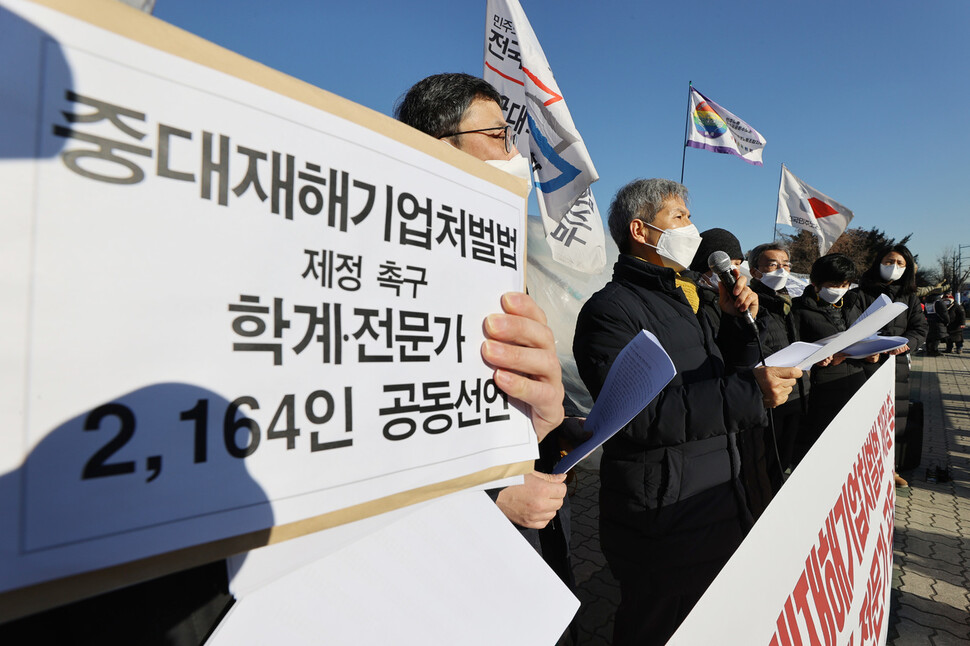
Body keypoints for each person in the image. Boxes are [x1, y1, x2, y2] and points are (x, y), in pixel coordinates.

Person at [573, 178, 800, 646]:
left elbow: (718, 378)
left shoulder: (686, 301)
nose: (691, 229)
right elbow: (640, 416)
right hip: (664, 515)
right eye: (679, 217)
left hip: (719, 497)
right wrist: (750, 393)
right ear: (640, 230)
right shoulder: (610, 312)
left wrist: (738, 322)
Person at [853, 245, 927, 487]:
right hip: (865, 366)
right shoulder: (859, 293)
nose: (893, 266)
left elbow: (920, 329)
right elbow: (851, 327)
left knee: (894, 420)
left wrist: (907, 344)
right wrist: (867, 348)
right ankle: (860, 471)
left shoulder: (910, 297)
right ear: (878, 261)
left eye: (900, 263)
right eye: (889, 260)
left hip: (896, 368)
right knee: (864, 420)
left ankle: (890, 469)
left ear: (907, 269)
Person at [792, 254, 869, 462]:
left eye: (845, 284)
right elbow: (793, 348)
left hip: (855, 379)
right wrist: (815, 358)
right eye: (834, 284)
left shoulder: (852, 304)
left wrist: (869, 350)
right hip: (822, 389)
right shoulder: (798, 309)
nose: (840, 289)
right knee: (821, 443)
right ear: (815, 283)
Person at [748, 242, 810, 491]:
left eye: (786, 265)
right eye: (773, 265)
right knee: (767, 464)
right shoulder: (751, 303)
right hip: (770, 397)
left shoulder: (787, 303)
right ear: (755, 272)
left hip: (795, 392)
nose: (781, 270)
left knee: (785, 458)